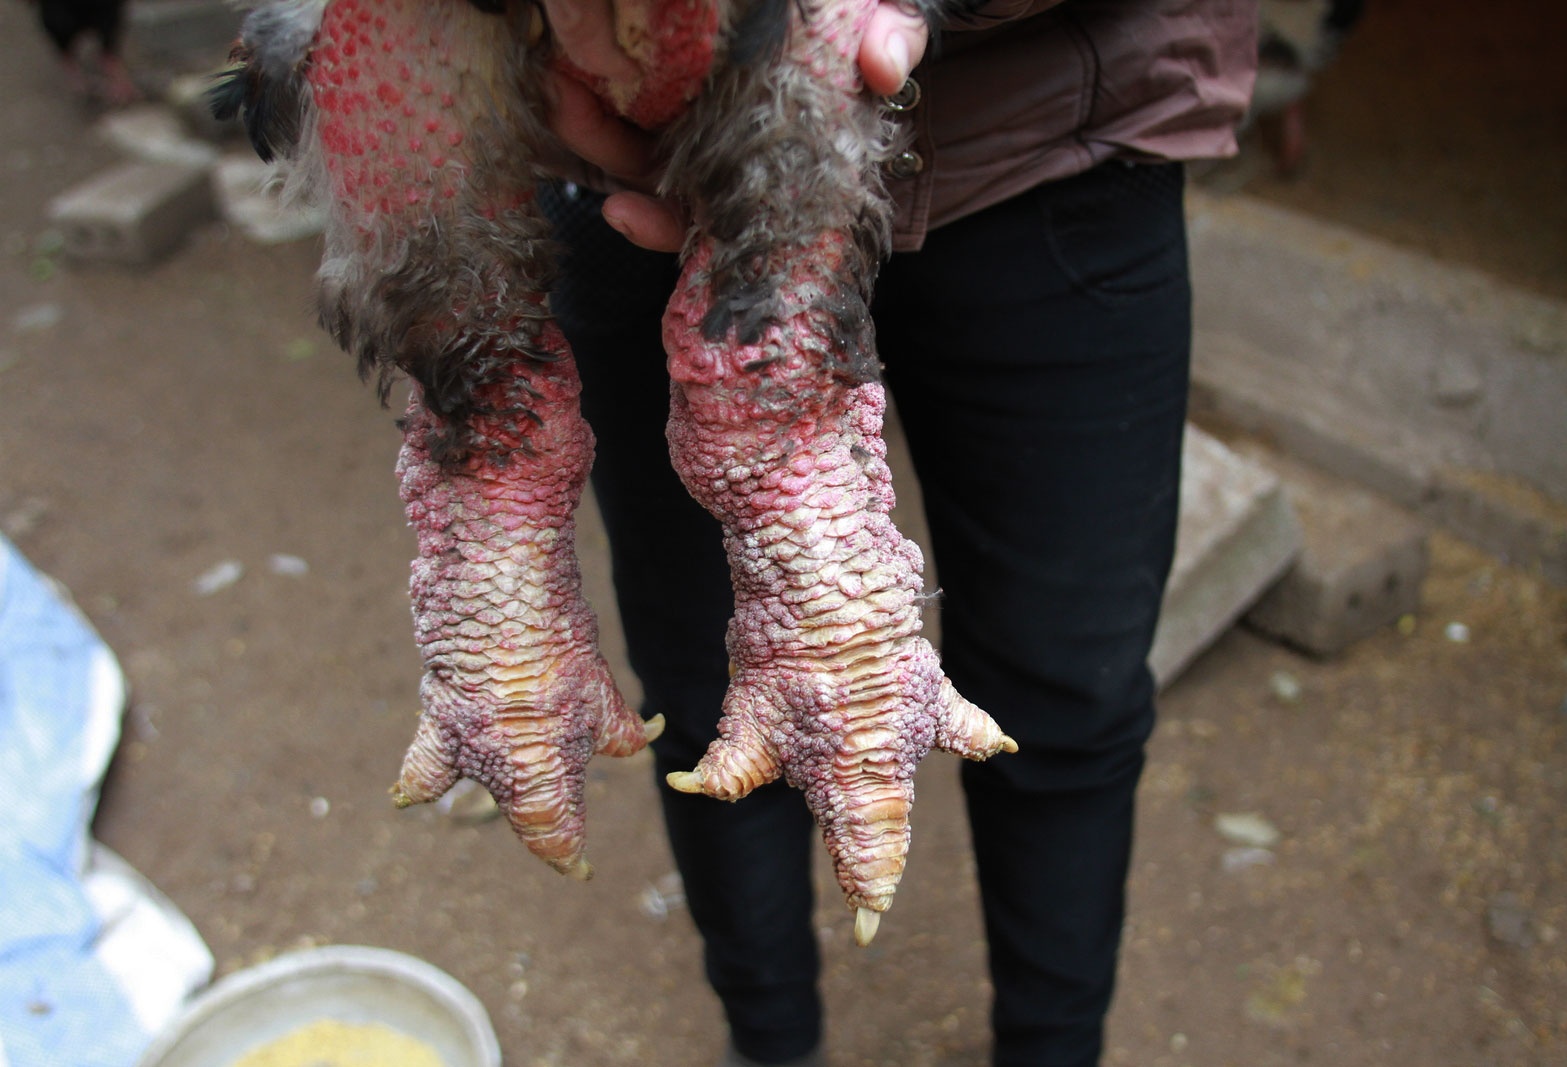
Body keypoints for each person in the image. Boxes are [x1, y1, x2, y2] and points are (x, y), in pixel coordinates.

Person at [536, 1, 1258, 1064]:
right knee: (707, 692)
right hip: (648, 166)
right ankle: (770, 1045)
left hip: (1047, 140)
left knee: (1068, 689)